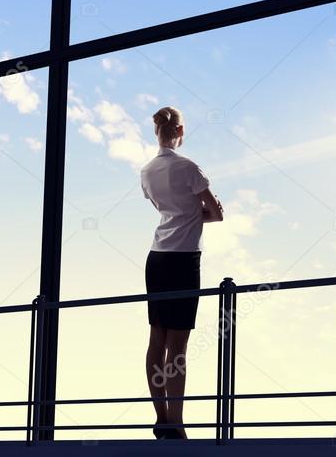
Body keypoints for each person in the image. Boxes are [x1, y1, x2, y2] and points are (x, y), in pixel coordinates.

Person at [140, 106, 223, 440]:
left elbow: (167, 211)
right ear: (181, 130)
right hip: (184, 260)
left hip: (156, 258)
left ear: (156, 131)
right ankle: (176, 421)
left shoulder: (146, 171)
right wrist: (197, 215)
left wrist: (188, 214)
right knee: (178, 345)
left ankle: (161, 417)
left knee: (155, 338)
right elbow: (215, 214)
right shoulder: (190, 168)